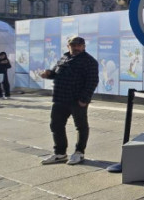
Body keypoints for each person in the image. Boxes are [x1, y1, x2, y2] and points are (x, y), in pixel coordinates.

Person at [39, 37, 99, 165]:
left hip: (77, 100)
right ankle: (60, 153)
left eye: (79, 45)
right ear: (68, 46)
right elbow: (56, 73)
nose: (76, 48)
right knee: (56, 125)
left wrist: (84, 99)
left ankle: (79, 152)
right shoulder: (64, 58)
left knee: (81, 126)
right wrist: (48, 74)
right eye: (73, 45)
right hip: (60, 99)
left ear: (83, 46)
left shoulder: (89, 61)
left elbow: (92, 81)